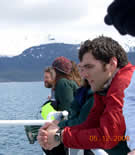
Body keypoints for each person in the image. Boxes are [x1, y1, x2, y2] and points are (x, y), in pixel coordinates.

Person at [37, 36, 135, 155]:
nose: (84, 75)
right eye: (81, 69)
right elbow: (90, 123)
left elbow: (108, 136)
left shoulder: (124, 83)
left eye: (89, 67)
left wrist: (60, 136)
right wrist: (57, 132)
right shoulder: (104, 86)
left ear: (112, 64)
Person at [43, 56, 80, 155]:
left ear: (56, 71)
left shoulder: (62, 83)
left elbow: (67, 109)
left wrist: (54, 126)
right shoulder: (66, 82)